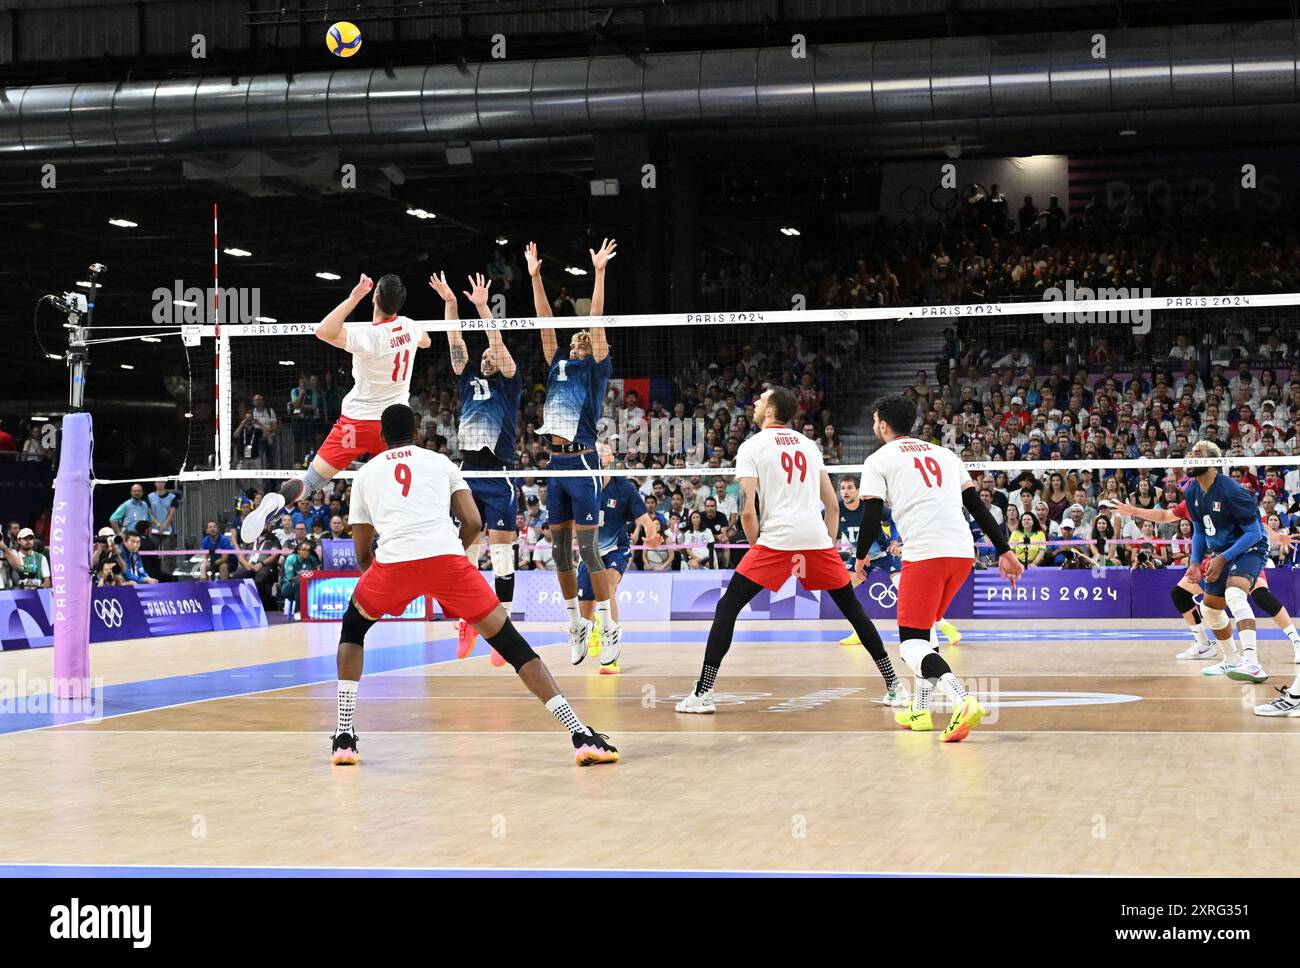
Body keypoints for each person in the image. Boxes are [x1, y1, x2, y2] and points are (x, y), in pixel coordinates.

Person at [329, 404, 619, 767]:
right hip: (449, 563)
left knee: (353, 630)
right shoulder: (441, 463)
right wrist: (455, 554)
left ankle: (343, 737)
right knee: (514, 647)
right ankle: (580, 735)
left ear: (382, 438)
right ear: (418, 433)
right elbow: (473, 520)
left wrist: (384, 589)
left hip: (394, 565)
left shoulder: (366, 474)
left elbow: (361, 554)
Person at [676, 387, 908, 716]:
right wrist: (826, 545)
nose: (754, 403)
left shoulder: (751, 446)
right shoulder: (808, 445)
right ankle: (895, 687)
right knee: (854, 611)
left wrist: (759, 548)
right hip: (814, 538)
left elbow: (745, 510)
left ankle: (703, 693)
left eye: (759, 400)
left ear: (770, 410)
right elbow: (831, 505)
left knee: (727, 608)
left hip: (776, 540)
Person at [853, 393, 1023, 742]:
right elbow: (976, 505)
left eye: (874, 422)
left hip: (926, 555)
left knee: (911, 646)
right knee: (927, 632)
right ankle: (919, 710)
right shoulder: (945, 454)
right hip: (961, 554)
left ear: (883, 424)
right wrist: (1004, 549)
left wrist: (860, 559)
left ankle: (963, 701)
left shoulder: (878, 460)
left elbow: (870, 515)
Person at [240, 273, 432, 543]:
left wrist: (354, 297)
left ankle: (279, 500)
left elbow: (323, 331)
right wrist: (408, 337)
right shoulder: (411, 327)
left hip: (355, 423)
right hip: (392, 427)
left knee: (310, 482)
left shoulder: (368, 335)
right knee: (401, 491)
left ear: (375, 297)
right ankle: (412, 541)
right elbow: (426, 342)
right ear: (400, 304)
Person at [525, 237, 622, 668]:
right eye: (576, 343)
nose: (577, 346)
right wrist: (535, 277)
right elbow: (544, 321)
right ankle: (574, 624)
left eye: (583, 343)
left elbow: (597, 319)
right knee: (559, 552)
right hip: (554, 463)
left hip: (582, 460)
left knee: (588, 550)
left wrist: (599, 272)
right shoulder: (557, 363)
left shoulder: (595, 368)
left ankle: (606, 624)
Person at [431, 270, 522, 667]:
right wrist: (451, 302)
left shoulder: (508, 384)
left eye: (490, 355)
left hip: (499, 474)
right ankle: (469, 622)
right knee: (464, 556)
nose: (486, 357)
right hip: (467, 473)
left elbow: (498, 347)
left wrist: (483, 307)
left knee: (503, 556)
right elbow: (455, 341)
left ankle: (503, 632)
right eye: (482, 355)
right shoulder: (467, 378)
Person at [1108, 493, 1300, 664]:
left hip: (1244, 554)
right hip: (1217, 557)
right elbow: (1165, 516)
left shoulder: (1226, 494)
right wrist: (1134, 511)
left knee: (1261, 596)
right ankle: (1205, 645)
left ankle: (1295, 643)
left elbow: (1256, 522)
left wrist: (1275, 536)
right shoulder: (1193, 501)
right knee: (1181, 594)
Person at [1180, 440, 1270, 682]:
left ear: (1213, 462)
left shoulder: (1232, 490)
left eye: (1198, 454)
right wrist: (1195, 561)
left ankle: (1252, 663)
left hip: (1250, 547)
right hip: (1221, 552)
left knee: (1235, 595)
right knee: (1209, 608)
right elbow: (1199, 530)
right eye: (1191, 453)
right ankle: (1231, 660)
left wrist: (1222, 559)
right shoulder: (1191, 492)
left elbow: (1254, 533)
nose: (1191, 457)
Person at [838, 476, 962, 648]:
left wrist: (895, 540)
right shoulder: (836, 509)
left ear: (858, 490)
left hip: (884, 553)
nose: (845, 492)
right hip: (860, 557)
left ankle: (946, 627)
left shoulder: (870, 506)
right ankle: (859, 632)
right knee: (843, 592)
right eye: (843, 488)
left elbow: (894, 520)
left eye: (850, 488)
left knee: (910, 594)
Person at [576, 444, 661, 673]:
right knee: (585, 610)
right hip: (589, 551)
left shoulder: (624, 487)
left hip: (616, 548)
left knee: (608, 587)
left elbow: (645, 521)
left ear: (610, 458)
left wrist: (652, 536)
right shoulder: (582, 483)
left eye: (602, 450)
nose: (597, 453)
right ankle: (594, 626)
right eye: (595, 450)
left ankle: (610, 649)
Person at [148, 479, 180, 578]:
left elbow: (172, 513)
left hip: (168, 530)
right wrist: (158, 524)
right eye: (158, 482)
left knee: (169, 556)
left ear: (164, 484)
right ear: (155, 484)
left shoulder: (172, 497)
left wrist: (164, 525)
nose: (160, 484)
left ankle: (170, 577)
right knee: (151, 554)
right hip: (154, 530)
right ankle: (152, 576)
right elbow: (149, 512)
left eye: (162, 482)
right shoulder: (150, 497)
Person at [281, 538, 319, 619]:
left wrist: (306, 576)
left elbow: (316, 576)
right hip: (288, 587)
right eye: (304, 550)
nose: (306, 552)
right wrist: (304, 576)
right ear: (298, 550)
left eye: (308, 550)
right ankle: (297, 612)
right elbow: (290, 578)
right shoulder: (291, 559)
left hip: (307, 588)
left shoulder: (312, 560)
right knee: (299, 583)